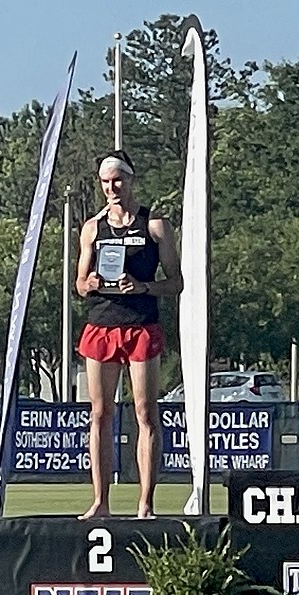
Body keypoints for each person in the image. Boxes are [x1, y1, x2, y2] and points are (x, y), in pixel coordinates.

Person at [75, 149, 182, 518]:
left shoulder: (154, 224)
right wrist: (88, 283)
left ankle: (145, 503)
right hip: (101, 324)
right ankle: (100, 501)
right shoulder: (92, 227)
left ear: (130, 180)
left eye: (117, 180)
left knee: (144, 412)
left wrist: (142, 287)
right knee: (100, 413)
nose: (111, 188)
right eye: (105, 182)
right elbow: (79, 282)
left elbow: (176, 282)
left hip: (140, 325)